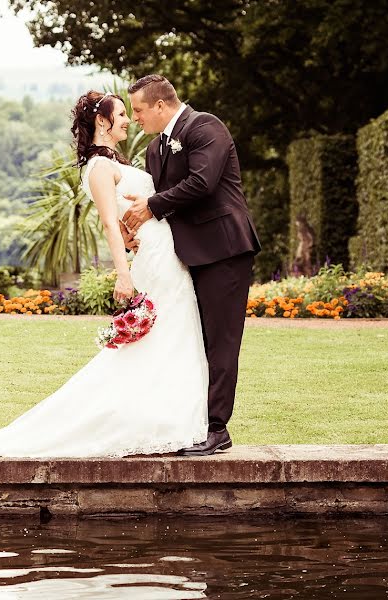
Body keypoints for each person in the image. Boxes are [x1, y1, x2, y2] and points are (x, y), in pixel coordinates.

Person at [0, 90, 209, 458]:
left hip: (162, 251)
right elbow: (106, 223)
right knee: (160, 336)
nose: (127, 120)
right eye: (120, 114)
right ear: (102, 121)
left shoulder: (110, 162)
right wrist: (123, 274)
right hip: (155, 259)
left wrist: (133, 232)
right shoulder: (99, 168)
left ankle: (173, 417)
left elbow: (122, 216)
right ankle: (153, 420)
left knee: (174, 333)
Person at [122, 75, 261, 456]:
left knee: (220, 341)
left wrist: (150, 207)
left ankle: (218, 429)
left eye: (138, 110)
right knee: (190, 341)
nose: (135, 118)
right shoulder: (154, 150)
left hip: (223, 250)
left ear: (161, 106)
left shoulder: (205, 127)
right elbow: (160, 202)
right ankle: (192, 422)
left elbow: (202, 183)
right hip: (186, 257)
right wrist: (136, 230)